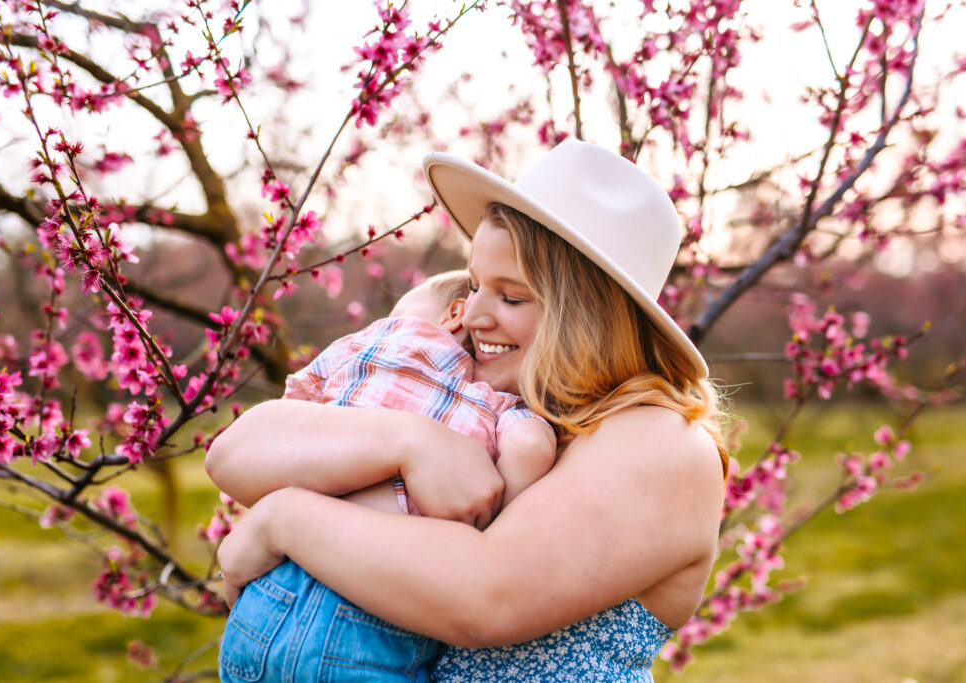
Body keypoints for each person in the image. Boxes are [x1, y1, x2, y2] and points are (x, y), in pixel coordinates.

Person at [207, 139, 728, 681]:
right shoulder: (478, 394)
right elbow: (239, 448)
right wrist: (411, 441)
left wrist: (281, 519)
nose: (472, 314)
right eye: (476, 284)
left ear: (591, 318)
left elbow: (489, 594)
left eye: (512, 297)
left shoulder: (662, 441)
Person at [216, 271, 557, 682]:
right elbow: (529, 449)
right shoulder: (498, 402)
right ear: (457, 311)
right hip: (373, 625)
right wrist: (499, 508)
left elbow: (293, 407)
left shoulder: (358, 347)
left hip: (262, 607)